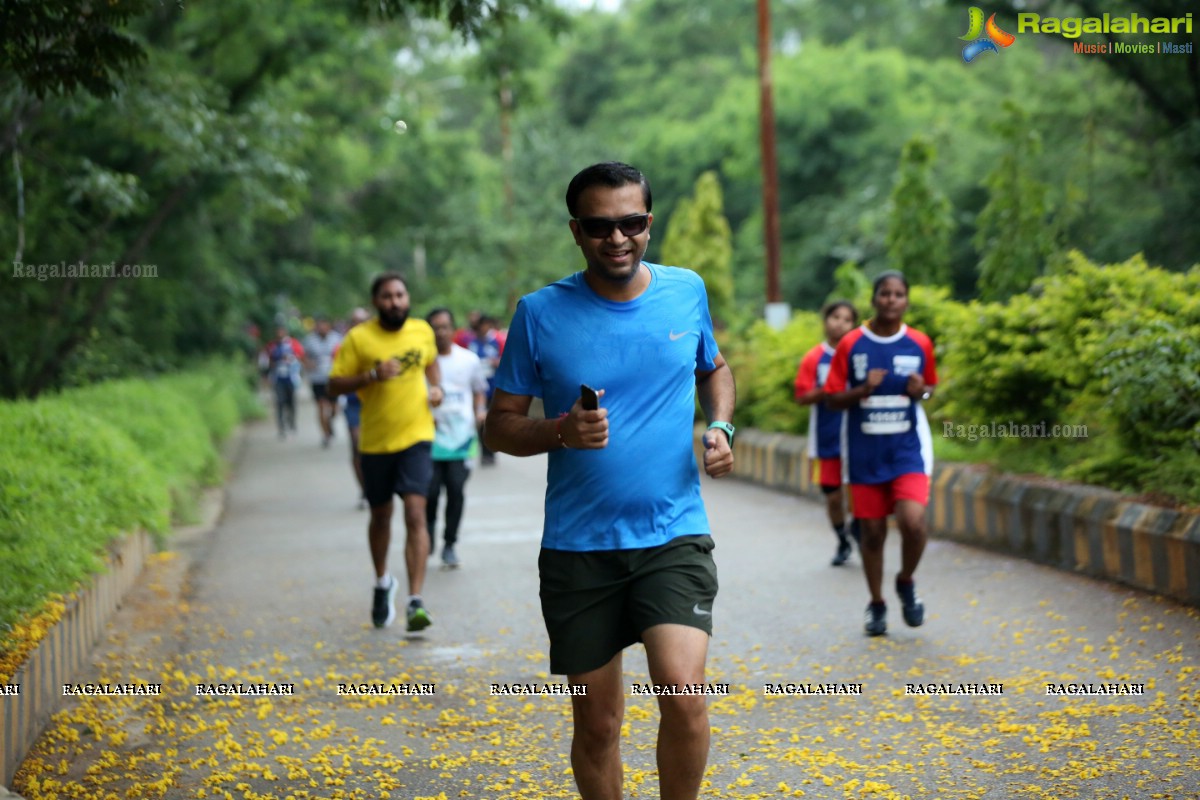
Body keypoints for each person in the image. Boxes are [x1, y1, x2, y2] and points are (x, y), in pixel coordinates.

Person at [484, 161, 736, 800]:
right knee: (598, 725)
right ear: (576, 231)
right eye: (600, 226)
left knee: (683, 694)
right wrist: (560, 432)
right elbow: (500, 426)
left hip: (672, 534)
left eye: (632, 223)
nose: (617, 238)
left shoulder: (685, 292)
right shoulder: (539, 314)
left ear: (649, 223)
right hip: (578, 549)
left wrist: (721, 427)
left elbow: (716, 368)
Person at [328, 275, 445, 632]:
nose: (395, 301)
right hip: (376, 442)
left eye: (400, 295)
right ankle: (382, 583)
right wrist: (372, 376)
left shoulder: (422, 331)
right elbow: (334, 384)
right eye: (387, 296)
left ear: (407, 298)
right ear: (376, 301)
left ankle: (415, 601)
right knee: (381, 516)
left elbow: (431, 364)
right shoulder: (359, 338)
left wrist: (437, 388)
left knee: (415, 513)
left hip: (417, 437)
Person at [824, 271, 938, 636]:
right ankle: (876, 604)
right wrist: (862, 390)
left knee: (914, 522)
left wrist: (922, 392)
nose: (891, 300)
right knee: (871, 534)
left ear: (906, 301)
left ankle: (905, 581)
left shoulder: (919, 343)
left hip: (906, 452)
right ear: (874, 300)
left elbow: (929, 391)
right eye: (884, 294)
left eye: (898, 294)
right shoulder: (852, 344)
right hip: (864, 455)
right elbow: (832, 398)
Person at [794, 301, 861, 566]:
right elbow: (801, 397)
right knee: (833, 497)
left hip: (858, 439)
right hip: (825, 440)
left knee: (858, 493)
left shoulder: (859, 355)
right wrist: (829, 390)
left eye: (847, 319)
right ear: (826, 320)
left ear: (854, 325)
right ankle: (843, 539)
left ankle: (859, 529)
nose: (840, 323)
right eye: (835, 317)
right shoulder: (814, 358)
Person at [425, 308, 489, 569]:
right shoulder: (422, 362)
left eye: (445, 326)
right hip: (428, 438)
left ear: (453, 329)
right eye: (435, 327)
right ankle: (426, 533)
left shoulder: (469, 360)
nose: (440, 332)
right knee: (428, 493)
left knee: (455, 491)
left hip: (461, 439)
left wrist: (480, 412)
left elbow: (479, 391)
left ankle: (449, 544)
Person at [463, 312, 505, 465]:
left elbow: (507, 360)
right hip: (477, 390)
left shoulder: (497, 341)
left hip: (493, 388)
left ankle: (492, 451)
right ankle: (484, 451)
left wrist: (497, 362)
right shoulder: (472, 343)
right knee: (481, 420)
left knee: (492, 420)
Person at [340, 308, 371, 509]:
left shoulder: (381, 344)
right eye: (354, 322)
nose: (358, 326)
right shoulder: (344, 348)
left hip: (377, 404)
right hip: (353, 404)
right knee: (357, 444)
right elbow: (336, 379)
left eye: (362, 322)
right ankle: (365, 490)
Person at [304, 315, 343, 447]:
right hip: (317, 379)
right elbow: (303, 357)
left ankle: (329, 423)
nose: (321, 328)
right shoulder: (309, 340)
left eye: (324, 325)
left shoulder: (337, 339)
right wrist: (309, 364)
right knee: (321, 406)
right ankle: (326, 435)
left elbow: (343, 356)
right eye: (319, 325)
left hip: (333, 378)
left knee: (334, 409)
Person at [267, 326, 305, 439]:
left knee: (291, 401)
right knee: (279, 402)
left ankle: (291, 421)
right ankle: (281, 427)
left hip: (291, 377)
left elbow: (301, 356)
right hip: (278, 378)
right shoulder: (272, 346)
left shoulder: (293, 344)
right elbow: (269, 360)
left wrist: (291, 359)